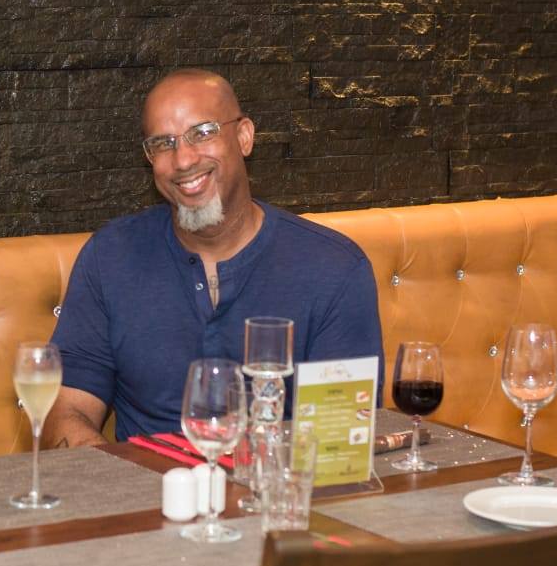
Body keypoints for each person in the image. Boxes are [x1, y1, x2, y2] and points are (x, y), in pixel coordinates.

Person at [44, 68, 383, 448]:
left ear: (244, 137)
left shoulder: (334, 269)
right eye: (163, 143)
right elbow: (65, 410)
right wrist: (122, 479)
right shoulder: (110, 258)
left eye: (202, 133)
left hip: (275, 481)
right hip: (143, 482)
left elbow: (338, 439)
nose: (183, 159)